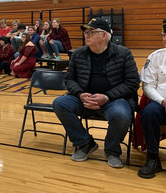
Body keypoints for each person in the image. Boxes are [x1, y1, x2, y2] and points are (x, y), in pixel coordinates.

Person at [52, 18, 139, 169]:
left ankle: (112, 150)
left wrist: (106, 97)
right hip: (84, 99)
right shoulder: (78, 54)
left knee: (121, 114)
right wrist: (80, 94)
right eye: (86, 32)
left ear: (104, 35)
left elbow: (132, 82)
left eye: (91, 32)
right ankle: (85, 143)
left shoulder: (123, 53)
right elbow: (69, 79)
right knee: (60, 104)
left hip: (113, 100)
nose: (87, 35)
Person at [138, 17, 166, 179]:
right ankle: (153, 158)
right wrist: (165, 103)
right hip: (162, 102)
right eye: (164, 35)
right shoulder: (156, 57)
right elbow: (148, 86)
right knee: (149, 114)